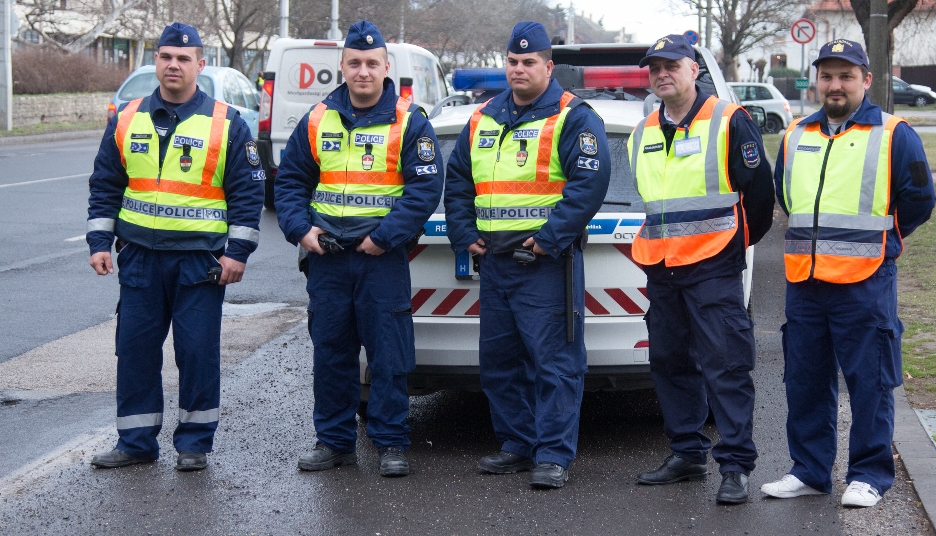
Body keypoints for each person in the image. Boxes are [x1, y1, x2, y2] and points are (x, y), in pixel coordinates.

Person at [761, 39, 936, 507]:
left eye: (846, 76)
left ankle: (869, 475)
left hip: (865, 281)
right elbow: (786, 197)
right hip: (805, 282)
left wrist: (884, 243)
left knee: (870, 380)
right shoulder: (796, 133)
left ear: (866, 80)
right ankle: (810, 471)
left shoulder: (895, 133)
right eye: (827, 76)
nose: (835, 85)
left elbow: (919, 199)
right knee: (804, 381)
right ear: (816, 79)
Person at [86, 22, 264, 472]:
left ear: (200, 65)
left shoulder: (227, 123)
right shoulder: (127, 118)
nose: (173, 64)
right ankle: (137, 443)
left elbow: (248, 195)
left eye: (183, 58)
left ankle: (194, 444)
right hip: (140, 257)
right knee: (135, 351)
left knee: (197, 352)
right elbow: (106, 183)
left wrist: (237, 253)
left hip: (199, 262)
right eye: (165, 56)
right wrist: (99, 241)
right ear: (156, 62)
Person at [444, 21, 610, 489]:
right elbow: (457, 181)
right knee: (499, 362)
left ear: (547, 65)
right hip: (494, 262)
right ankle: (517, 444)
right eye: (513, 62)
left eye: (529, 62)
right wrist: (462, 231)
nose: (519, 69)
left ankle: (553, 455)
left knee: (555, 363)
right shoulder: (482, 118)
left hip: (543, 263)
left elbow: (589, 185)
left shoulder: (572, 115)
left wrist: (549, 237)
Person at [274, 20, 442, 478]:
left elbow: (424, 190)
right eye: (354, 63)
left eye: (371, 63)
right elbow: (289, 182)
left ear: (386, 67)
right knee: (331, 352)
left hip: (379, 259)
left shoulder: (411, 122)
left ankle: (390, 443)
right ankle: (334, 442)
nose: (363, 71)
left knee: (388, 355)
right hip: (326, 258)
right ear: (342, 67)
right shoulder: (316, 118)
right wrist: (300, 230)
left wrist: (383, 237)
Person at [627, 35, 775, 505]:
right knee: (669, 363)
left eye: (672, 65)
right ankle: (687, 454)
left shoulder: (730, 122)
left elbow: (761, 197)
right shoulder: (643, 131)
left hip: (714, 266)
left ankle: (734, 465)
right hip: (663, 269)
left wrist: (733, 246)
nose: (662, 73)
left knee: (726, 364)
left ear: (695, 70)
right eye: (655, 67)